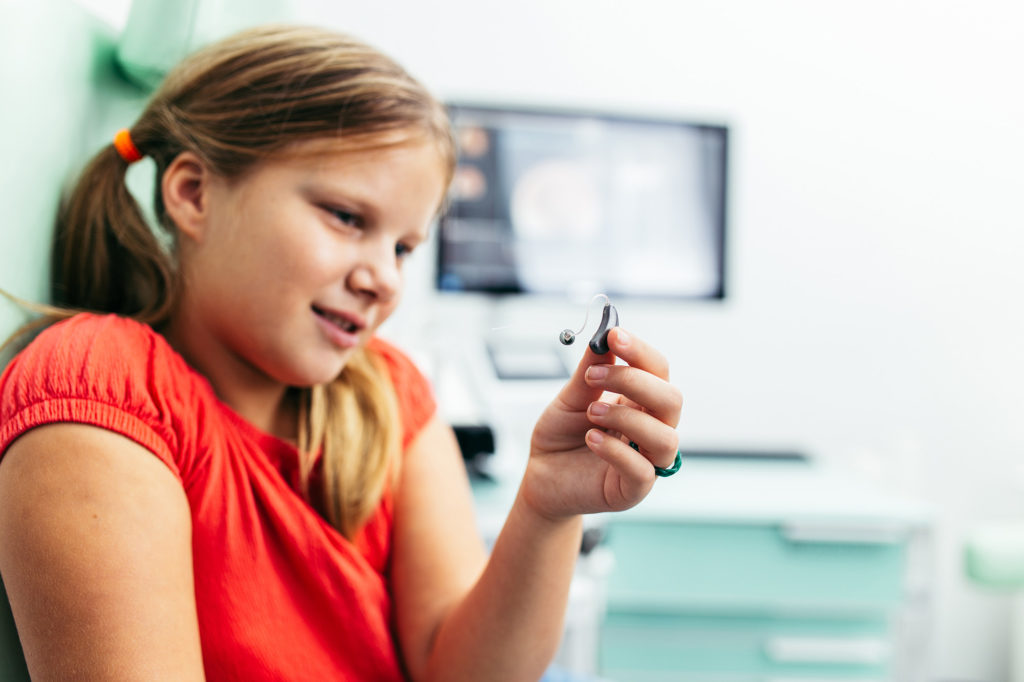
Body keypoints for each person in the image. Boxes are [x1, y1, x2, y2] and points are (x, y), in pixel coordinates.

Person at [0, 24, 683, 681]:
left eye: (403, 248)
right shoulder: (103, 390)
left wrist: (546, 509)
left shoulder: (389, 394)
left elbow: (463, 669)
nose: (385, 278)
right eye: (347, 218)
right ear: (193, 194)